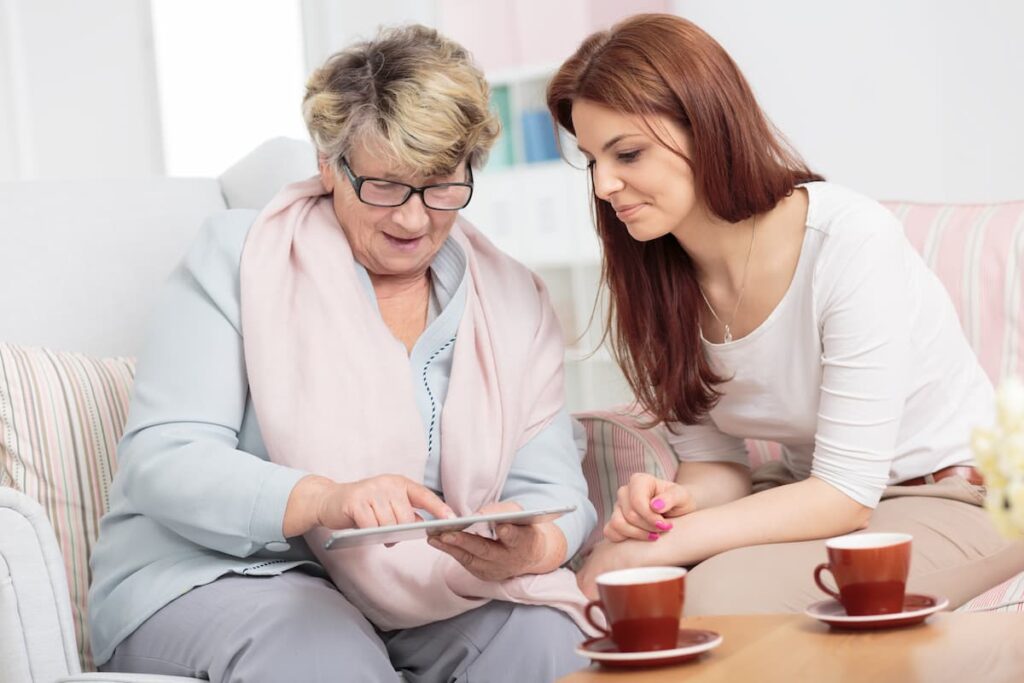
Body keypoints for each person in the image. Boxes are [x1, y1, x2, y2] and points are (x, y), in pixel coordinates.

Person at [88, 25, 596, 682]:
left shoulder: (513, 300)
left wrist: (534, 543)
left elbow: (555, 489)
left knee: (546, 640)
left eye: (441, 184)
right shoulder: (240, 257)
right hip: (223, 574)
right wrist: (324, 497)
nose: (414, 220)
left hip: (424, 583)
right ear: (329, 163)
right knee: (325, 651)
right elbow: (164, 458)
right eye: (385, 186)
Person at [546, 13, 1024, 614]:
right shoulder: (656, 280)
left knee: (716, 594)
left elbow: (845, 495)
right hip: (812, 495)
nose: (604, 186)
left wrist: (655, 550)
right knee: (636, 594)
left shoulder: (849, 241)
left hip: (961, 496)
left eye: (628, 154)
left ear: (707, 128)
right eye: (592, 160)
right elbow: (715, 465)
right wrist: (667, 512)